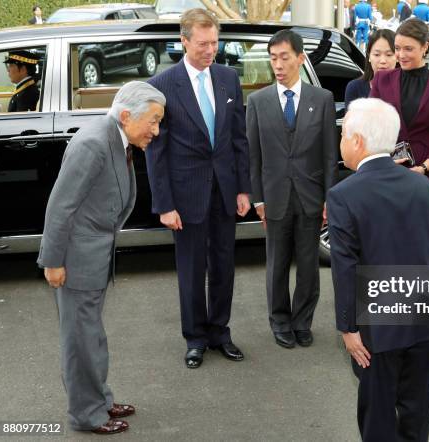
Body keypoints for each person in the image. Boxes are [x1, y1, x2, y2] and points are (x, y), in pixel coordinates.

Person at [37, 81, 165, 435]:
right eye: (152, 121)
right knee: (79, 341)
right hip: (76, 260)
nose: (156, 130)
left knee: (92, 336)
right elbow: (60, 206)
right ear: (126, 116)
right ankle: (86, 414)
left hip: (92, 256)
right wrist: (53, 261)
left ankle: (100, 399)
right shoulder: (93, 144)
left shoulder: (114, 137)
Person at [328, 98, 429, 441]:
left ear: (357, 141)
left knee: (378, 416)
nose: (340, 142)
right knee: (416, 414)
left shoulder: (343, 195)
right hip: (428, 321)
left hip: (377, 328)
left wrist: (348, 328)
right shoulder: (422, 185)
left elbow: (345, 267)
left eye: (342, 135)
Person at [145, 8, 251, 369]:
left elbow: (239, 139)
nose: (211, 50)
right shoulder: (162, 85)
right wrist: (164, 204)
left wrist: (243, 189)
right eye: (203, 44)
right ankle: (195, 337)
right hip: (185, 194)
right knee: (191, 268)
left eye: (215, 42)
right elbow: (155, 153)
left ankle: (220, 332)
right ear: (184, 41)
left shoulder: (227, 79)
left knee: (224, 265)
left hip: (224, 190)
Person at [247, 30, 338, 349]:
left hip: (311, 197)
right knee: (277, 265)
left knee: (309, 266)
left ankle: (303, 321)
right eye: (273, 59)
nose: (279, 65)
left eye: (285, 57)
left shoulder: (322, 99)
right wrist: (258, 198)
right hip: (274, 198)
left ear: (300, 58)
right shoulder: (257, 102)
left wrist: (330, 196)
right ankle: (280, 321)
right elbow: (253, 156)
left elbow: (329, 155)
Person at [370, 18, 429, 195]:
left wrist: (425, 167)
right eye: (397, 48)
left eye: (408, 49)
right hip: (387, 172)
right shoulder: (382, 80)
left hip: (425, 176)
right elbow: (369, 126)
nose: (401, 55)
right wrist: (383, 161)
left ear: (425, 47)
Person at [344, 29, 396, 110]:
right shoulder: (355, 87)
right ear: (369, 57)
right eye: (377, 54)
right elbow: (350, 121)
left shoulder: (408, 88)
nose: (382, 61)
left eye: (389, 55)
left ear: (397, 57)